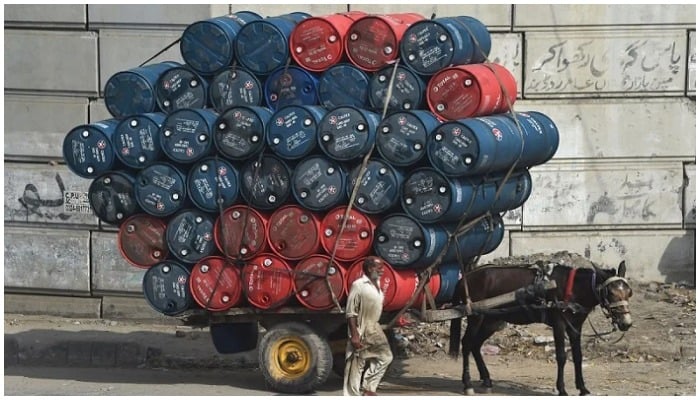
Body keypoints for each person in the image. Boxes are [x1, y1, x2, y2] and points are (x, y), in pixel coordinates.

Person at [343, 256, 393, 396]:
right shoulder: (358, 285)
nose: (383, 270)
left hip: (374, 326)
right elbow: (351, 312)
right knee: (357, 362)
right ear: (370, 268)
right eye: (380, 268)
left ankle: (368, 388)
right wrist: (354, 334)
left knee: (386, 357)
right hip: (361, 326)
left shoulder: (377, 283)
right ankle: (352, 395)